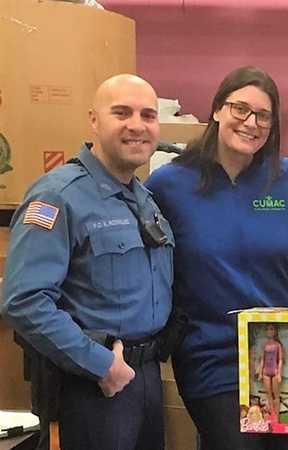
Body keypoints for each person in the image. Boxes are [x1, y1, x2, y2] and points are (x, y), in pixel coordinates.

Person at [144, 65, 288, 450]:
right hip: (211, 356)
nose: (251, 123)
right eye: (240, 109)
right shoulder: (169, 185)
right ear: (217, 109)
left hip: (285, 353)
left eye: (263, 115)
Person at [1, 74, 174, 450]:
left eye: (148, 115)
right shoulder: (57, 197)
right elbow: (23, 300)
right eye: (121, 112)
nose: (137, 126)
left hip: (144, 375)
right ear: (93, 120)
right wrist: (100, 364)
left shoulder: (144, 199)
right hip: (93, 385)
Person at [256, 323, 283, 420]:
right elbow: (262, 359)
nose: (269, 331)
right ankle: (272, 415)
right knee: (268, 394)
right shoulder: (265, 345)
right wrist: (260, 372)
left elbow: (280, 360)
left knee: (276, 395)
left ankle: (277, 417)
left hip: (275, 370)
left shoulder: (278, 345)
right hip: (266, 371)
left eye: (271, 329)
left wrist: (279, 373)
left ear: (275, 331)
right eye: (267, 329)